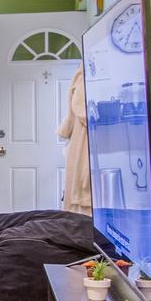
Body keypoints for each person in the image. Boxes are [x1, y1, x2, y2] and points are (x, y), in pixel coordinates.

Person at [57, 69, 93, 214]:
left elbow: (77, 109)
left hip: (84, 142)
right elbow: (78, 109)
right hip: (82, 141)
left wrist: (64, 130)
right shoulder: (82, 74)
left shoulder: (83, 74)